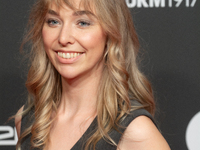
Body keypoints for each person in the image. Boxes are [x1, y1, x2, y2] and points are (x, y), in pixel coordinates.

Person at [15, 0, 171, 149]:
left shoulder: (135, 132)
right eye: (53, 21)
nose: (63, 38)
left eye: (83, 23)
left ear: (112, 33)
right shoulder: (27, 120)